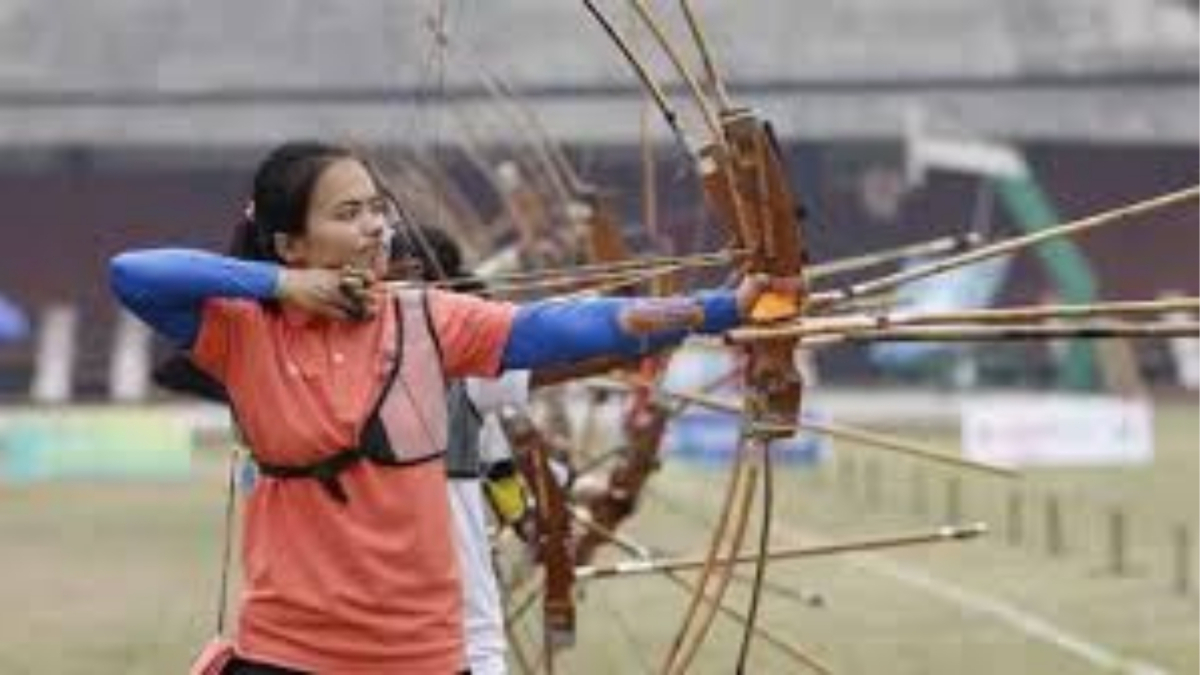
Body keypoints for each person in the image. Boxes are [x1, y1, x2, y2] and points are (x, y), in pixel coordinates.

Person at [109, 140, 783, 674]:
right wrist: (287, 285)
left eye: (378, 208)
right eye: (348, 215)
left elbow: (565, 327)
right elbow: (134, 273)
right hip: (288, 649)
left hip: (423, 653)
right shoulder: (245, 333)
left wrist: (719, 308)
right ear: (290, 241)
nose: (376, 228)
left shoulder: (428, 318)